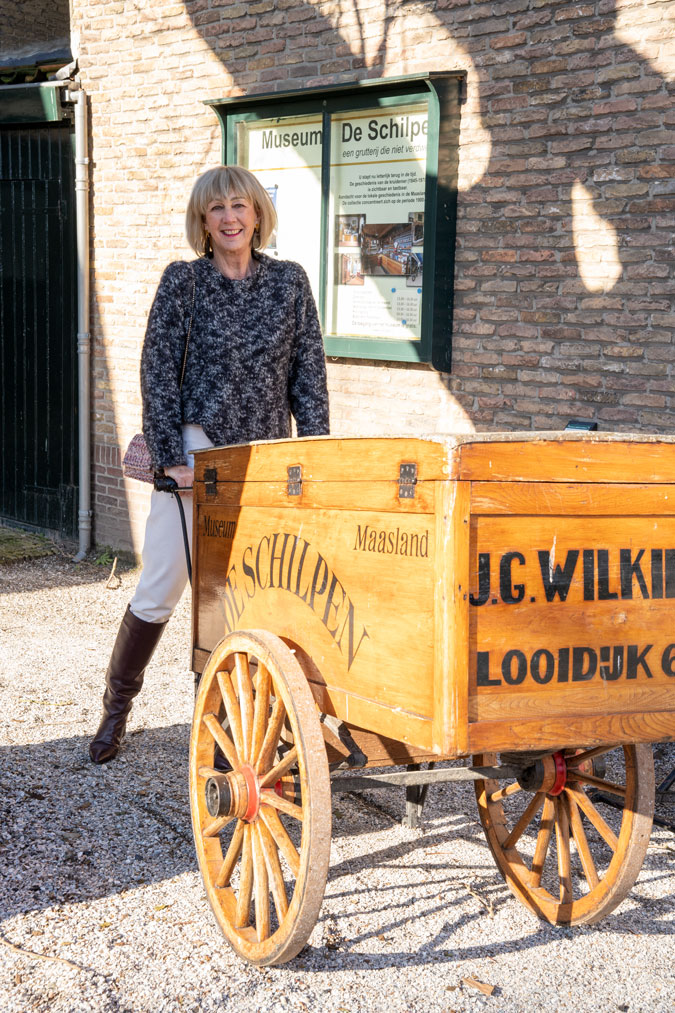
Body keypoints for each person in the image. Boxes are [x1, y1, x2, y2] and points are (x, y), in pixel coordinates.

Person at [89, 165, 330, 764]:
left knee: (251, 596)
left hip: (266, 459)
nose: (230, 217)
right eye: (217, 207)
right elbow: (157, 373)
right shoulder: (184, 283)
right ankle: (116, 707)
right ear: (204, 219)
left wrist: (318, 452)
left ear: (257, 215)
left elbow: (309, 377)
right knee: (163, 584)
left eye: (240, 206)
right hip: (195, 455)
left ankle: (236, 734)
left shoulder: (290, 283)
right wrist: (171, 460)